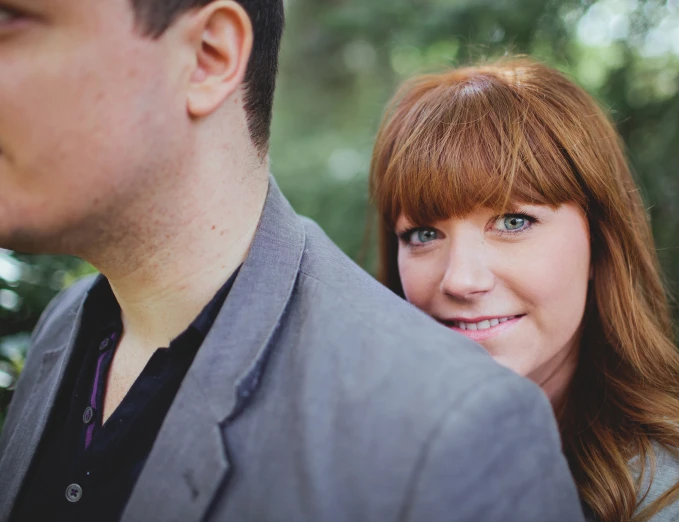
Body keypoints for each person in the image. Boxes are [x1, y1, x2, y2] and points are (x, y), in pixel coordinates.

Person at [0, 3, 584, 522]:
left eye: (10, 20)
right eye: (424, 232)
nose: (462, 279)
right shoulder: (66, 322)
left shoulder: (455, 429)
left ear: (207, 56)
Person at [369, 57, 679, 522]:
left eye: (513, 221)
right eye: (423, 234)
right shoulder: (353, 459)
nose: (461, 279)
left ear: (600, 244)